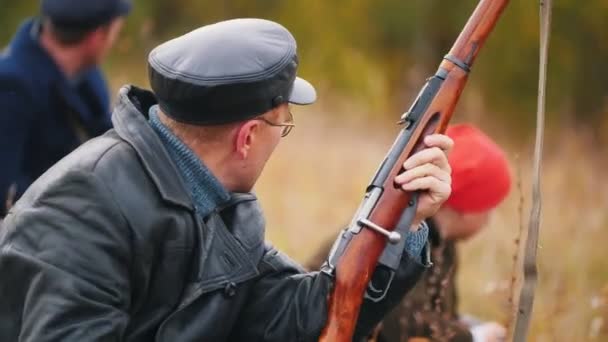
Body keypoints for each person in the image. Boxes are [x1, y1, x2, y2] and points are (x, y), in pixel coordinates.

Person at [0, 18, 453, 341]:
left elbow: (305, 316)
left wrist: (406, 220)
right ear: (248, 137)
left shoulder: (225, 205)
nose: (281, 139)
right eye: (284, 123)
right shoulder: (84, 206)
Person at [306, 123, 512, 342]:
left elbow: (438, 315)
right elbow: (402, 324)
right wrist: (473, 336)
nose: (489, 221)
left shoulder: (443, 245)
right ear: (468, 208)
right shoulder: (395, 233)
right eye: (489, 208)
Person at [0, 0, 131, 216]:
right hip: (30, 233)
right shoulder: (10, 85)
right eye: (116, 30)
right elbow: (5, 187)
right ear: (97, 37)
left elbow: (107, 135)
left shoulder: (85, 74)